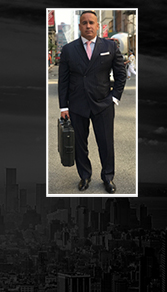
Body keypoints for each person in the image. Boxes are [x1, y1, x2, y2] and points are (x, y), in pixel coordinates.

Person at [58, 10, 126, 194]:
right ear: (80, 26)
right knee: (80, 144)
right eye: (84, 22)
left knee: (106, 143)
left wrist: (114, 98)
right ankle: (85, 176)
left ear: (98, 26)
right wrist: (64, 106)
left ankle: (108, 177)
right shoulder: (69, 50)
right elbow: (63, 80)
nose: (88, 26)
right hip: (77, 104)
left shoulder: (110, 47)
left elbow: (121, 75)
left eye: (91, 22)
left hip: (103, 104)